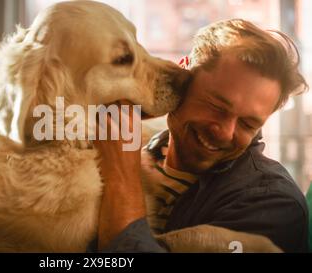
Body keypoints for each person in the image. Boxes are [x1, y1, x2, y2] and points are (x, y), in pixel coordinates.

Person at [92, 18, 309, 253]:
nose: (225, 132)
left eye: (247, 124)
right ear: (183, 75)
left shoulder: (273, 204)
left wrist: (122, 177)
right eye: (216, 106)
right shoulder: (125, 147)